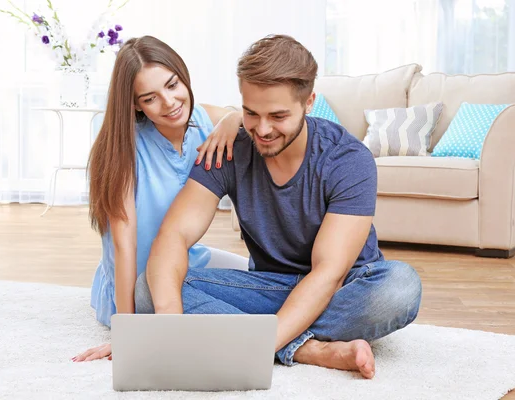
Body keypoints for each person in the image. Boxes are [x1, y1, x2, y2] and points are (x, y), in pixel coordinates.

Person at [135, 34, 422, 379]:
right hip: (271, 288)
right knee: (150, 288)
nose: (263, 129)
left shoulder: (347, 160)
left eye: (278, 115)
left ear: (309, 101)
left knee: (400, 288)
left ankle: (251, 338)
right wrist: (168, 324)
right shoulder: (229, 148)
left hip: (345, 287)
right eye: (251, 113)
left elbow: (328, 272)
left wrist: (252, 346)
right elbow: (174, 234)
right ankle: (307, 349)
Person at [73, 35, 249, 362]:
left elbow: (238, 112)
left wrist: (230, 119)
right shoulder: (123, 149)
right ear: (135, 104)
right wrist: (126, 331)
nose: (169, 103)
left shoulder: (201, 121)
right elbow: (123, 244)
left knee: (261, 283)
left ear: (183, 76)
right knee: (226, 318)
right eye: (150, 98)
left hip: (185, 260)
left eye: (172, 85)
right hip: (139, 282)